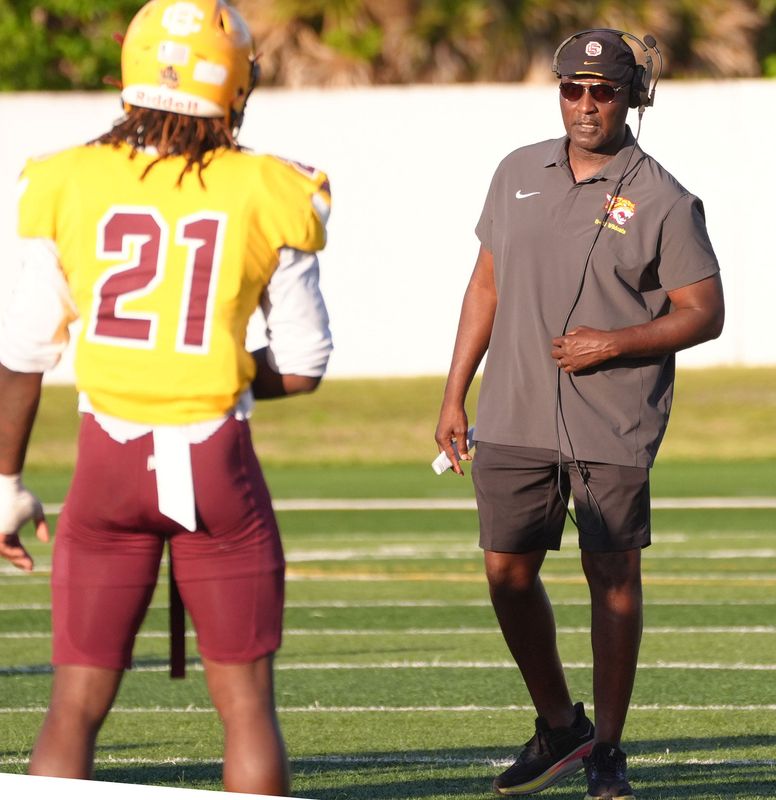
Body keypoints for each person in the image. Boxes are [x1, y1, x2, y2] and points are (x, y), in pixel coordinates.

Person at [0, 0, 333, 795]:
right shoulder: (272, 187)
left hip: (104, 469)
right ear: (236, 85)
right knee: (247, 706)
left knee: (73, 706)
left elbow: (22, 353)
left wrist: (5, 483)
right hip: (216, 462)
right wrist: (206, 364)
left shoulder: (66, 179)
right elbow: (306, 361)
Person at [435, 29, 724, 800]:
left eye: (603, 90)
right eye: (573, 88)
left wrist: (615, 343)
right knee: (507, 571)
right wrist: (454, 391)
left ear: (635, 95)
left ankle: (608, 752)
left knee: (613, 576)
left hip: (613, 420)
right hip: (513, 410)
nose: (586, 104)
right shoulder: (514, 171)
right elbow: (485, 286)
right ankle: (560, 725)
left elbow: (705, 312)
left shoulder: (664, 195)